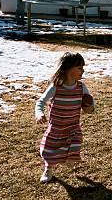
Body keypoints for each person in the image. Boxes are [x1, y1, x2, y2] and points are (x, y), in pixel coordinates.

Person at [36, 52, 95, 184]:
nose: (83, 70)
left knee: (75, 142)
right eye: (79, 68)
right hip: (56, 126)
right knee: (48, 151)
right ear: (68, 68)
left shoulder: (82, 87)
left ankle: (70, 159)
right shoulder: (56, 87)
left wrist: (89, 105)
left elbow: (90, 106)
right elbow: (41, 101)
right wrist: (39, 113)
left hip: (73, 126)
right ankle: (48, 168)